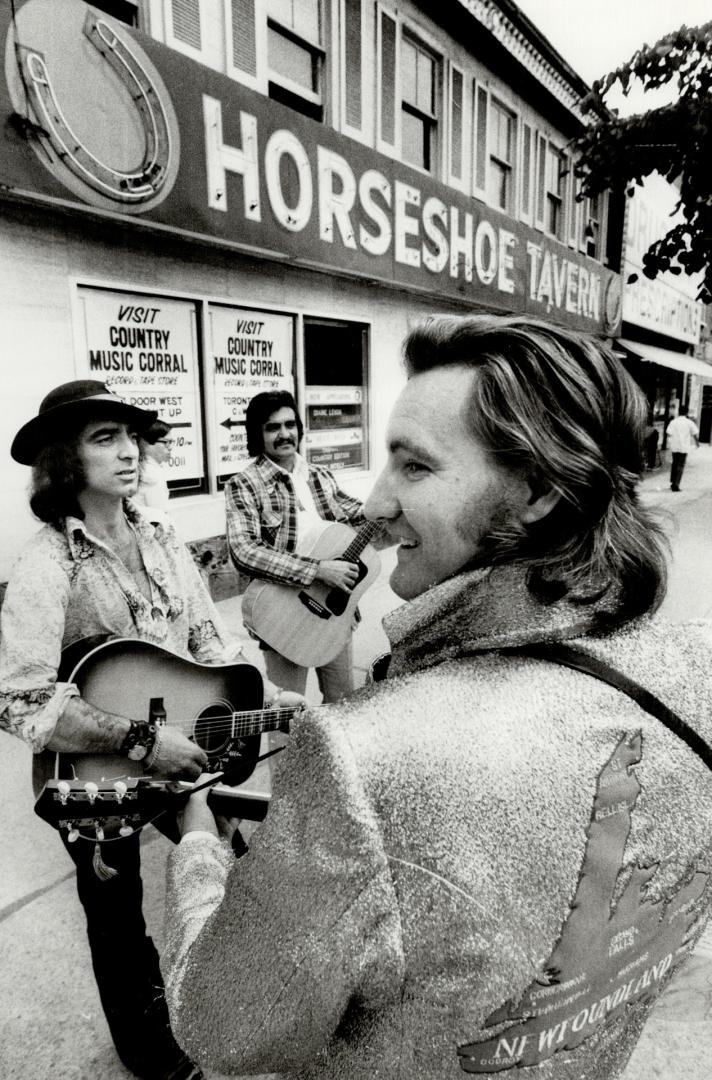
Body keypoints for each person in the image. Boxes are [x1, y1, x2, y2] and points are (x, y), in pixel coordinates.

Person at [161, 317, 712, 1080]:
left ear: (539, 492)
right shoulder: (699, 676)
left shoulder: (365, 759)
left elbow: (221, 1027)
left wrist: (195, 850)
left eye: (415, 466)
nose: (378, 505)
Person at [0, 380, 299, 1080]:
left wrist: (265, 690)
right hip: (98, 777)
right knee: (117, 920)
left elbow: (204, 636)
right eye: (106, 438)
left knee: (240, 872)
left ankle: (236, 1005)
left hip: (184, 753)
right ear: (65, 462)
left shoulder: (162, 537)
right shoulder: (46, 565)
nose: (129, 451)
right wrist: (138, 740)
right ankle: (153, 1053)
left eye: (132, 436)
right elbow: (17, 702)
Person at [225, 389, 365, 702]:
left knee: (344, 705)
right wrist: (317, 570)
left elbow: (356, 511)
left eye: (290, 424)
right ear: (257, 434)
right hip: (284, 615)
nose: (285, 434)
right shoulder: (245, 484)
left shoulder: (319, 475)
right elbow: (244, 551)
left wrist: (396, 500)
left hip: (333, 610)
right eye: (273, 427)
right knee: (287, 717)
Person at [136, 418, 173, 510]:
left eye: (171, 442)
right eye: (166, 442)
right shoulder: (152, 476)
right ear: (145, 443)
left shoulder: (140, 467)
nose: (170, 447)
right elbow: (160, 517)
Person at [666, 402, 699, 491]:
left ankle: (673, 482)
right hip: (684, 447)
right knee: (680, 465)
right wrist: (697, 443)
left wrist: (670, 442)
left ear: (679, 412)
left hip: (674, 446)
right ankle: (676, 484)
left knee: (674, 463)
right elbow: (695, 433)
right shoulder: (689, 422)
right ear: (687, 412)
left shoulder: (673, 422)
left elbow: (668, 433)